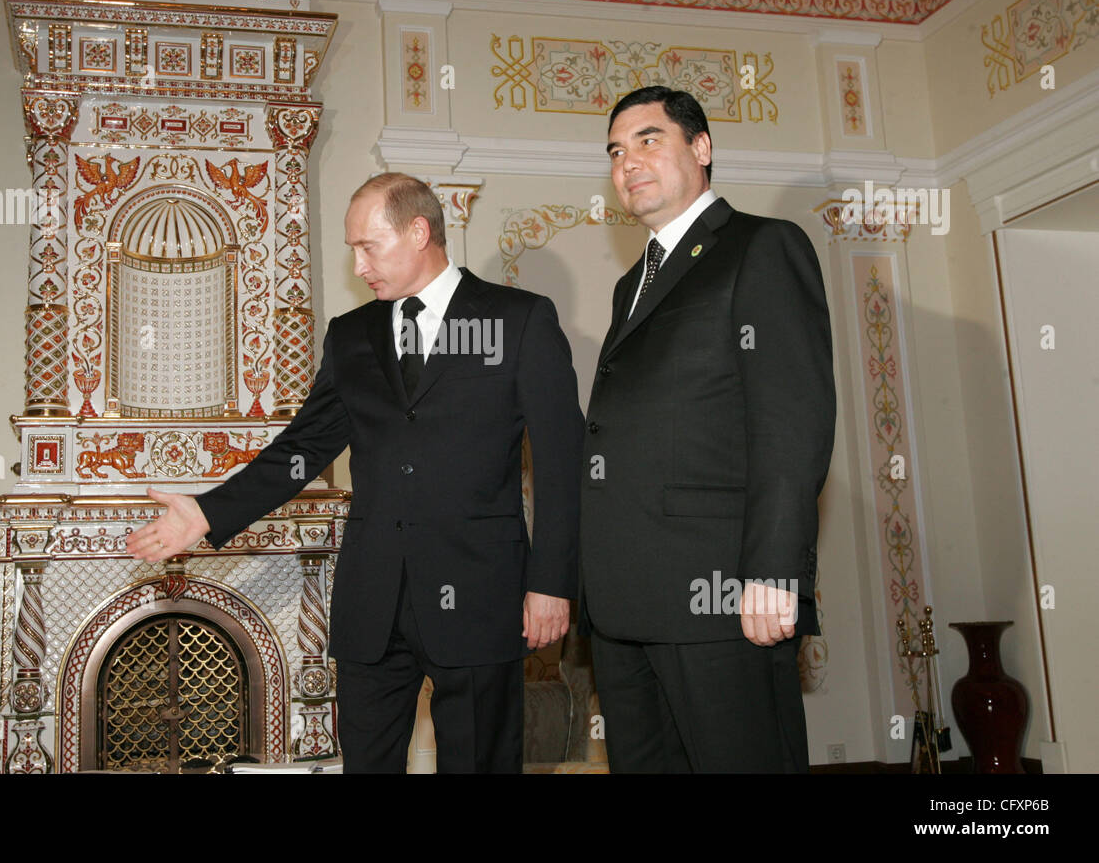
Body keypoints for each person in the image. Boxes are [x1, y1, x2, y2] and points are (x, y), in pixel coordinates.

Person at [126, 172, 584, 773]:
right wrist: (212, 511)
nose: (360, 264)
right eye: (353, 251)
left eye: (369, 246)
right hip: (373, 602)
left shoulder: (518, 319)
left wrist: (550, 583)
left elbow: (562, 461)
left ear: (419, 231)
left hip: (480, 594)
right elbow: (304, 447)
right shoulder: (351, 335)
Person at [580, 86, 835, 772]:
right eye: (615, 151)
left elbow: (792, 418)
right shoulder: (631, 281)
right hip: (624, 605)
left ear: (701, 148)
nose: (627, 162)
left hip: (721, 595)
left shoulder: (762, 246)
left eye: (648, 139)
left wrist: (775, 571)